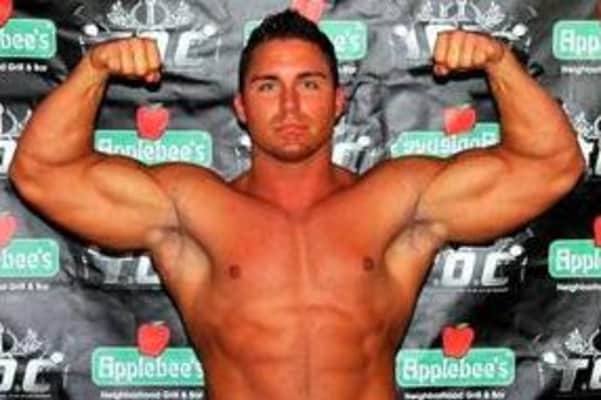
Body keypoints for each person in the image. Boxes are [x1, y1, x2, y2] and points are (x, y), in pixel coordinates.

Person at [9, 9, 583, 400]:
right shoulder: (194, 210)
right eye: (268, 86)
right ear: (240, 106)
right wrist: (95, 70)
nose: (289, 106)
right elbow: (41, 173)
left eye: (308, 84)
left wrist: (499, 63)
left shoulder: (395, 201)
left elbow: (552, 166)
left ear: (337, 103)